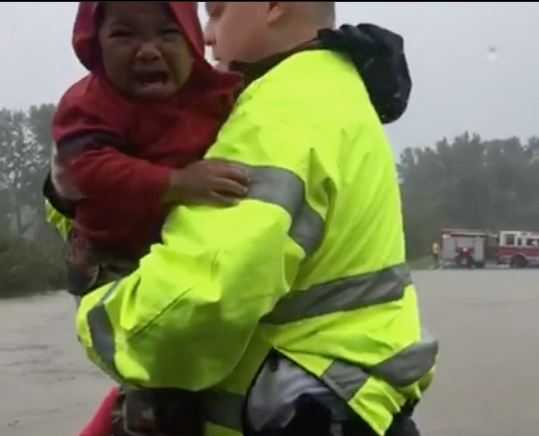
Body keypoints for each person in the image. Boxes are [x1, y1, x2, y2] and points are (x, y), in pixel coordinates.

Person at [70, 2, 439, 436]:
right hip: (352, 405)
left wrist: (96, 302)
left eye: (218, 11)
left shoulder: (279, 116)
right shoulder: (337, 91)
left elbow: (183, 319)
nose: (206, 35)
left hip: (302, 415)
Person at [43, 2, 248, 436]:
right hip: (109, 259)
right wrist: (177, 182)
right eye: (124, 35)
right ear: (94, 45)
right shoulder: (89, 103)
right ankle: (141, 418)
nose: (148, 50)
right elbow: (88, 168)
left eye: (167, 34)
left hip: (166, 245)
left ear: (193, 41)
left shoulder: (209, 93)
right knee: (157, 369)